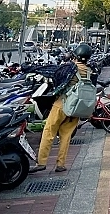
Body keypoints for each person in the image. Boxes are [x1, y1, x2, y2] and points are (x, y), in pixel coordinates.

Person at [30, 42, 93, 173]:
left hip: (62, 104)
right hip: (77, 108)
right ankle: (61, 164)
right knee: (66, 136)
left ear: (75, 56)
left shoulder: (70, 68)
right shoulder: (90, 72)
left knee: (49, 132)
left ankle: (41, 162)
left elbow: (54, 75)